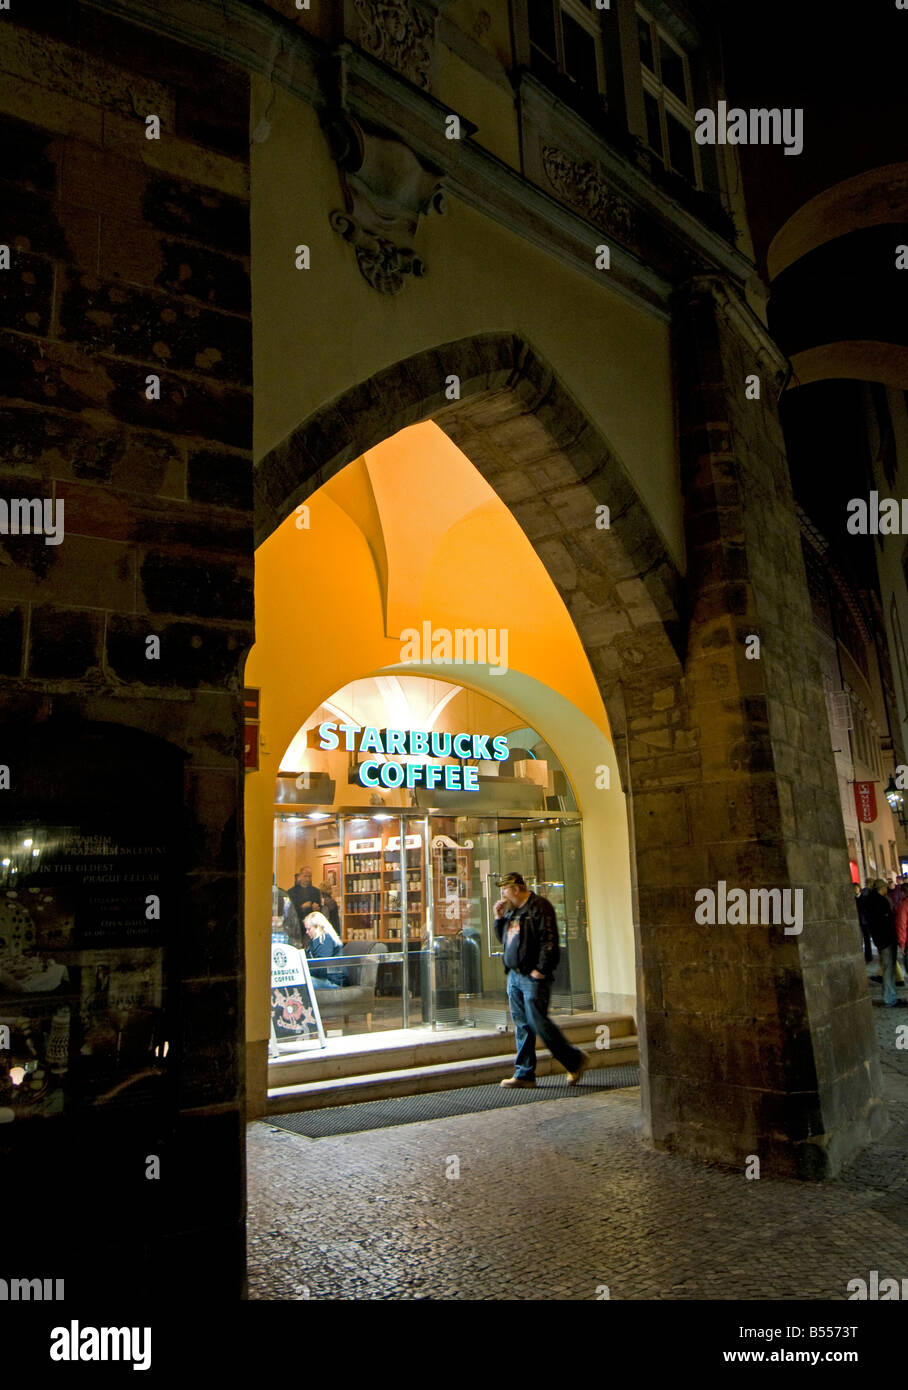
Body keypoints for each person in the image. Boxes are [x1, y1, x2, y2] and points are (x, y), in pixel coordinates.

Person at [493, 871, 588, 1087]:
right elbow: (505, 939)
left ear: (516, 889)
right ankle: (524, 1073)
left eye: (505, 889)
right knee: (522, 1024)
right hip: (515, 976)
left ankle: (574, 1059)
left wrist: (541, 970)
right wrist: (498, 918)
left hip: (533, 975)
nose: (502, 894)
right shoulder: (512, 912)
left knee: (538, 1022)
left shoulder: (539, 907)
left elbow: (549, 939)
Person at [864, 879, 906, 1008]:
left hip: (881, 940)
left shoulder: (871, 900)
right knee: (889, 970)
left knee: (889, 969)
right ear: (881, 888)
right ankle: (890, 999)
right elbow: (888, 923)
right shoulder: (880, 901)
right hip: (887, 940)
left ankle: (891, 996)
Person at [302, 911, 349, 989]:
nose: (307, 932)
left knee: (302, 982)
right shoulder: (318, 941)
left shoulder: (325, 940)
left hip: (334, 982)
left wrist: (304, 971)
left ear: (318, 927)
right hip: (328, 979)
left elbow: (321, 969)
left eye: (309, 929)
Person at [854, 882, 872, 963]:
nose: (855, 890)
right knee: (859, 939)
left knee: (867, 940)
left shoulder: (864, 898)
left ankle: (868, 956)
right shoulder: (853, 899)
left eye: (856, 888)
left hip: (864, 921)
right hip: (858, 922)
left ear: (859, 888)